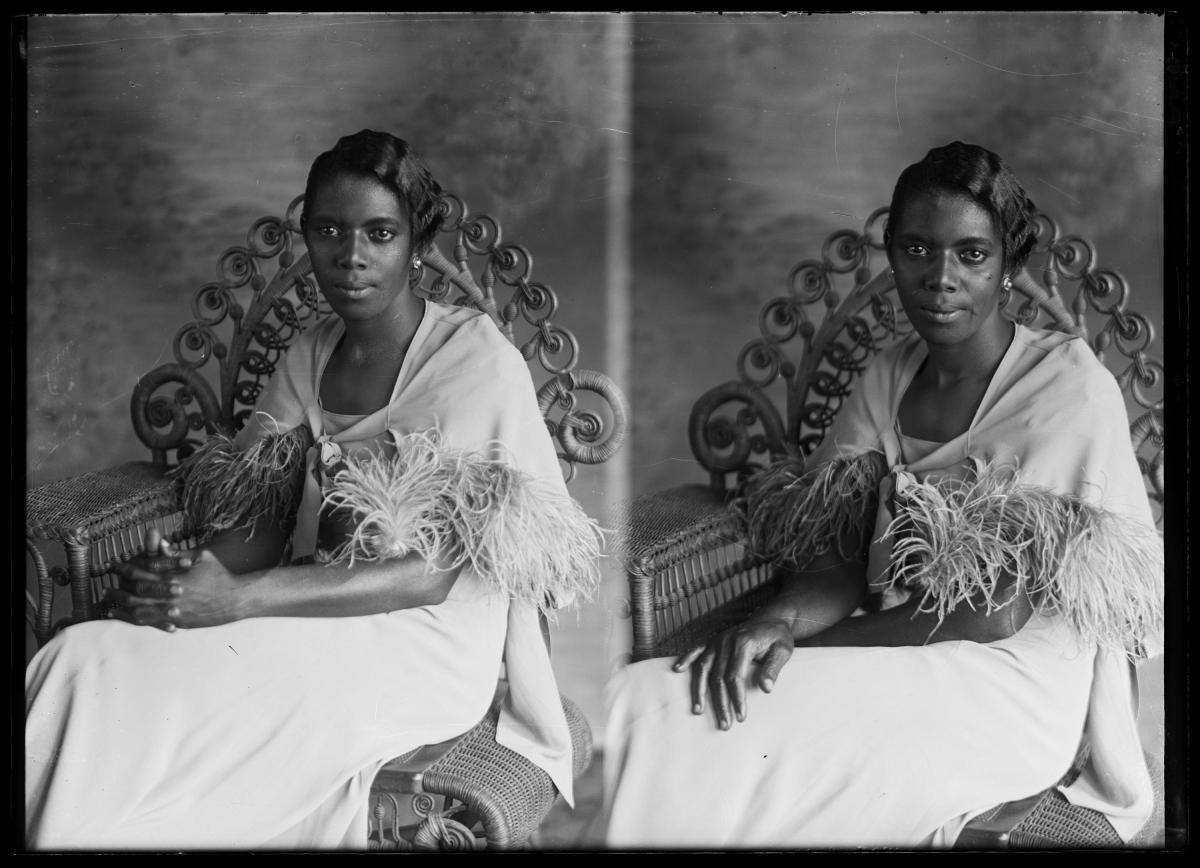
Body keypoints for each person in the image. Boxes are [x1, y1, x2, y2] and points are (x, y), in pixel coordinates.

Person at [25, 130, 604, 850]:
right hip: (311, 601)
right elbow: (257, 530)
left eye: (379, 233)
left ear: (416, 246)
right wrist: (188, 580)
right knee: (83, 658)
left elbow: (430, 576)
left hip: (428, 643)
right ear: (308, 237)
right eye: (328, 230)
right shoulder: (309, 350)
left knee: (191, 700)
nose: (351, 255)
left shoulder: (473, 357)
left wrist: (238, 601)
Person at [602, 141, 1162, 849]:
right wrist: (779, 622)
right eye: (918, 250)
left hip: (1008, 680)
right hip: (897, 640)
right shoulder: (886, 375)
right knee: (642, 702)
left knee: (715, 735)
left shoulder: (1067, 387)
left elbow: (989, 613)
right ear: (893, 256)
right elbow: (836, 560)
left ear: (1010, 268)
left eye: (971, 254)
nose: (940, 278)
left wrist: (817, 651)